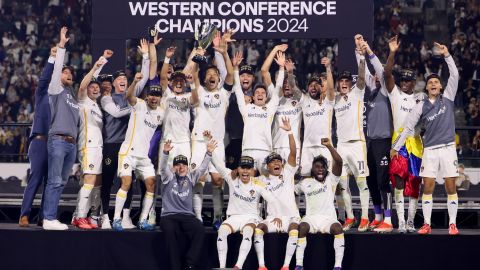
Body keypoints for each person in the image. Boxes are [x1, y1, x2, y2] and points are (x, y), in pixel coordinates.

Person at [392, 42, 460, 235]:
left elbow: (454, 75)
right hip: (429, 149)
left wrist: (447, 55)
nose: (433, 84)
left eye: (436, 82)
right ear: (427, 87)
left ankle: (452, 224)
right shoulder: (420, 105)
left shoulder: (448, 97)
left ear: (441, 86)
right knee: (427, 187)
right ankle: (427, 224)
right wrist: (396, 147)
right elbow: (408, 128)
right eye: (430, 82)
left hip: (447, 148)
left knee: (450, 185)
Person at [99, 38, 149, 229]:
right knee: (108, 181)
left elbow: (142, 78)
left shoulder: (130, 95)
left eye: (125, 80)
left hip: (127, 145)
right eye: (119, 80)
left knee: (128, 181)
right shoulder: (106, 99)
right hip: (111, 145)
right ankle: (105, 217)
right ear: (112, 84)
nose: (123, 81)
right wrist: (138, 108)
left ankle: (126, 217)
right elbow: (117, 113)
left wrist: (145, 57)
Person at [211, 144, 281, 269]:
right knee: (221, 231)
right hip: (234, 217)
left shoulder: (258, 184)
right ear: (237, 169)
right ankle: (222, 267)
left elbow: (273, 200)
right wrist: (210, 152)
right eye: (243, 168)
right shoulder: (231, 178)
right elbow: (218, 166)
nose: (245, 171)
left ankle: (238, 266)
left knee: (248, 232)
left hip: (251, 217)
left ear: (253, 170)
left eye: (248, 168)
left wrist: (277, 215)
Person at [190, 32, 234, 225]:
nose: (212, 76)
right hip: (199, 141)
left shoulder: (224, 94)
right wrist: (198, 53)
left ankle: (218, 216)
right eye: (208, 74)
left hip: (217, 143)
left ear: (218, 79)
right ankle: (198, 217)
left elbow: (231, 75)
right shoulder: (199, 91)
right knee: (198, 178)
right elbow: (192, 75)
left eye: (215, 74)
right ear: (205, 78)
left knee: (218, 180)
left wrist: (224, 54)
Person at [112, 72, 163, 231]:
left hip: (143, 156)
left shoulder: (161, 113)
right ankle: (116, 219)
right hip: (128, 152)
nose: (154, 98)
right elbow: (128, 96)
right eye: (152, 95)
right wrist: (134, 82)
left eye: (157, 95)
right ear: (147, 96)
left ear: (160, 98)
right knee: (126, 183)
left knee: (151, 184)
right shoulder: (139, 104)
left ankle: (142, 220)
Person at [385, 36, 424, 233]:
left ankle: (410, 222)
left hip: (416, 144)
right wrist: (392, 52)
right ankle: (400, 222)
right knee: (399, 183)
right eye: (404, 80)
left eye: (409, 80)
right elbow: (387, 74)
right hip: (398, 145)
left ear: (415, 82)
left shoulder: (421, 99)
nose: (406, 83)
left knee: (415, 183)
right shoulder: (395, 95)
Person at [356, 36, 394, 232]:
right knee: (371, 180)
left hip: (384, 142)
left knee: (383, 181)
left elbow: (379, 70)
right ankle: (378, 216)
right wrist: (358, 51)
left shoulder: (387, 92)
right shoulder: (369, 92)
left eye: (378, 76)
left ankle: (388, 220)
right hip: (370, 142)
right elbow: (364, 74)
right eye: (375, 77)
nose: (377, 77)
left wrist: (369, 51)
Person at [159, 139, 216, 270]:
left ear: (188, 166)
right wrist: (165, 153)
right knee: (169, 232)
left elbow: (202, 168)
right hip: (169, 216)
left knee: (200, 230)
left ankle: (190, 263)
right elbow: (162, 168)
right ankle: (175, 267)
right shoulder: (168, 177)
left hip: (187, 216)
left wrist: (209, 153)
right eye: (178, 165)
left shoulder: (191, 176)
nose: (181, 167)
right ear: (173, 167)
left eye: (184, 165)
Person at [42, 27, 79, 230]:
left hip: (71, 145)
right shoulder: (55, 90)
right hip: (58, 140)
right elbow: (56, 72)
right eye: (66, 72)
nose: (69, 74)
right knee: (55, 181)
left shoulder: (73, 97)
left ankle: (50, 216)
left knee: (62, 182)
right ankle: (48, 218)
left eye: (70, 72)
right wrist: (61, 46)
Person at [71, 51, 112, 229]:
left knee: (96, 183)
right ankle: (80, 216)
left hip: (98, 148)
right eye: (92, 87)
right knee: (88, 181)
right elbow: (83, 86)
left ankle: (81, 215)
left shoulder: (97, 105)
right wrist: (99, 63)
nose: (95, 88)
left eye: (97, 87)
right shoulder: (83, 101)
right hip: (87, 146)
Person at [254, 117, 300, 270]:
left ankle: (286, 266)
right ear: (267, 166)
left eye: (278, 161)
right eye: (273, 162)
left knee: (294, 229)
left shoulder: (287, 173)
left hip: (291, 217)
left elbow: (293, 152)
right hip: (273, 219)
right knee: (258, 229)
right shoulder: (261, 179)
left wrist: (290, 132)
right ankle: (262, 266)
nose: (276, 163)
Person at [334, 39, 370, 231]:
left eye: (348, 80)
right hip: (341, 145)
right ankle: (349, 217)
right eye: (342, 81)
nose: (345, 83)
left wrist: (361, 57)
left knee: (361, 182)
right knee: (342, 184)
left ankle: (364, 217)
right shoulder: (335, 99)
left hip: (357, 144)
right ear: (339, 84)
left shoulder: (358, 93)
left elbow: (362, 78)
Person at [19, 46, 56, 227]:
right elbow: (43, 79)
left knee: (49, 183)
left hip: (54, 144)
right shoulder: (42, 94)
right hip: (40, 141)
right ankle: (24, 215)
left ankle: (43, 216)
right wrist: (52, 58)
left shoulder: (59, 99)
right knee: (35, 179)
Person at [294, 138, 344, 270]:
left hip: (328, 219)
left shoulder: (331, 180)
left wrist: (329, 146)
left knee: (338, 229)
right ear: (312, 169)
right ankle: (299, 265)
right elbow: (291, 193)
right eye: (317, 167)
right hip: (311, 219)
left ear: (327, 169)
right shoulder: (305, 183)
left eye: (323, 167)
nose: (320, 169)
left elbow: (339, 162)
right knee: (302, 227)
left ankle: (337, 266)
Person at [233, 50, 285, 175]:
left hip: (265, 151)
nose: (260, 94)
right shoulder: (246, 108)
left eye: (263, 93)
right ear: (253, 96)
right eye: (257, 93)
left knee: (266, 183)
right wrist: (235, 68)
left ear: (266, 97)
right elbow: (238, 90)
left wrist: (282, 68)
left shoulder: (270, 109)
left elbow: (278, 88)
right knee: (247, 184)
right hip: (247, 151)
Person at [261, 45, 302, 165]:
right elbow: (264, 72)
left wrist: (291, 72)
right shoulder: (275, 97)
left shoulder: (301, 100)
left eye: (290, 83)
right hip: (275, 147)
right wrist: (275, 49)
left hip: (294, 148)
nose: (287, 85)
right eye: (285, 83)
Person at [298, 57, 335, 176]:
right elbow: (294, 88)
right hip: (308, 147)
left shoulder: (328, 102)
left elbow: (330, 88)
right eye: (311, 85)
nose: (314, 87)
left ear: (321, 87)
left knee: (327, 178)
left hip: (324, 146)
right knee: (306, 177)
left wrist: (328, 68)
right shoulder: (304, 102)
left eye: (317, 84)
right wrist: (288, 72)